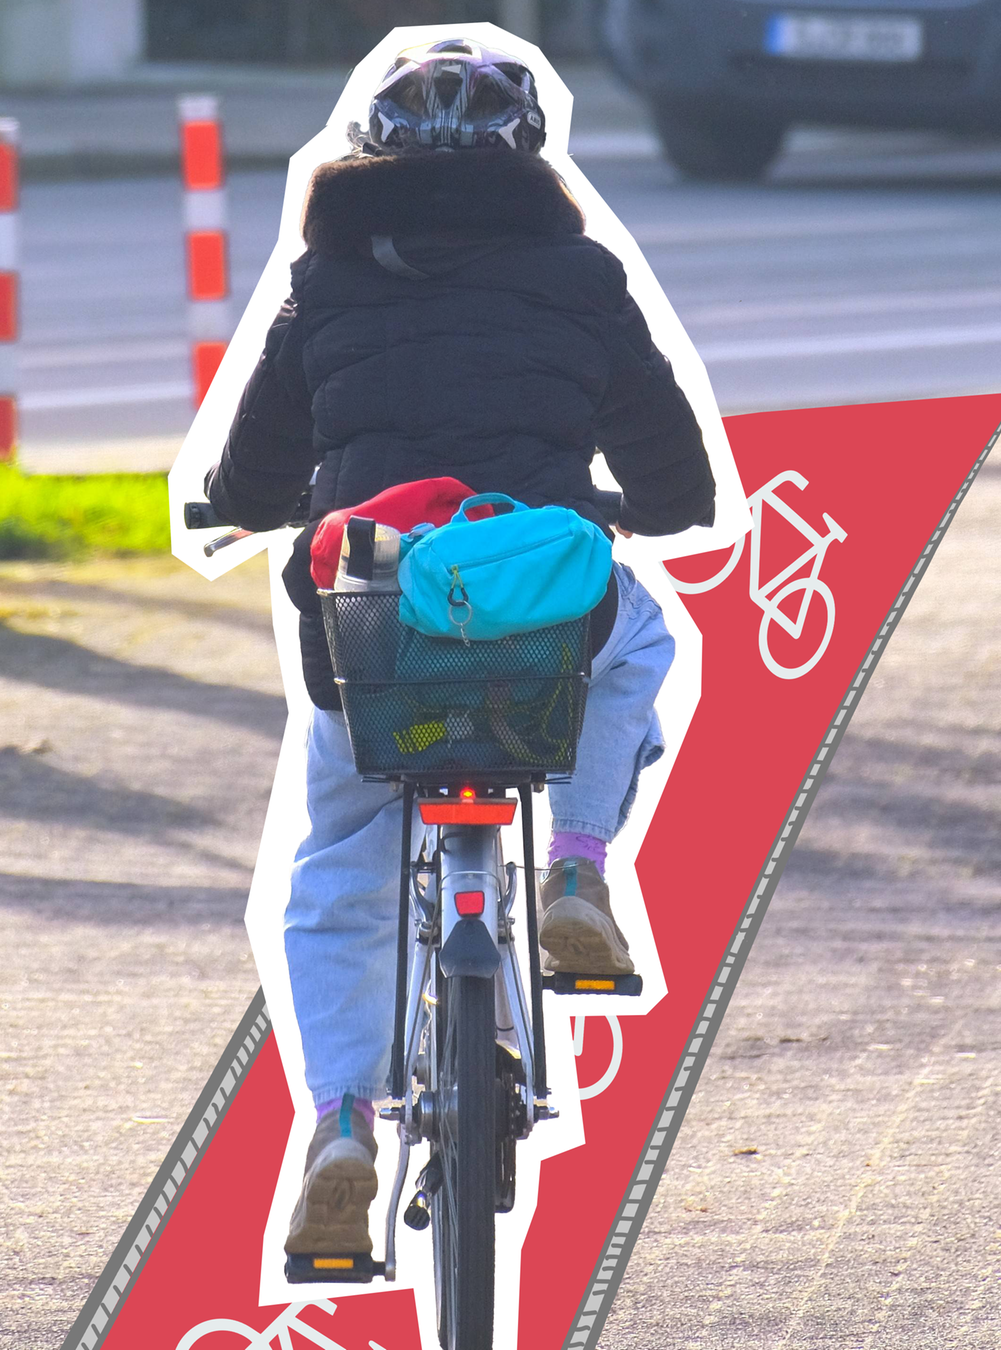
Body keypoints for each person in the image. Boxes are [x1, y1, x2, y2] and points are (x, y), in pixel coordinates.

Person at [202, 38, 718, 1259]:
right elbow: (678, 477)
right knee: (636, 639)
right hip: (537, 618)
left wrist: (236, 503)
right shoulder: (579, 278)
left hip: (371, 619)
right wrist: (642, 509)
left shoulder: (324, 281)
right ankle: (578, 866)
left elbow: (259, 468)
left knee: (338, 861)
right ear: (529, 159)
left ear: (368, 153)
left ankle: (339, 1122)